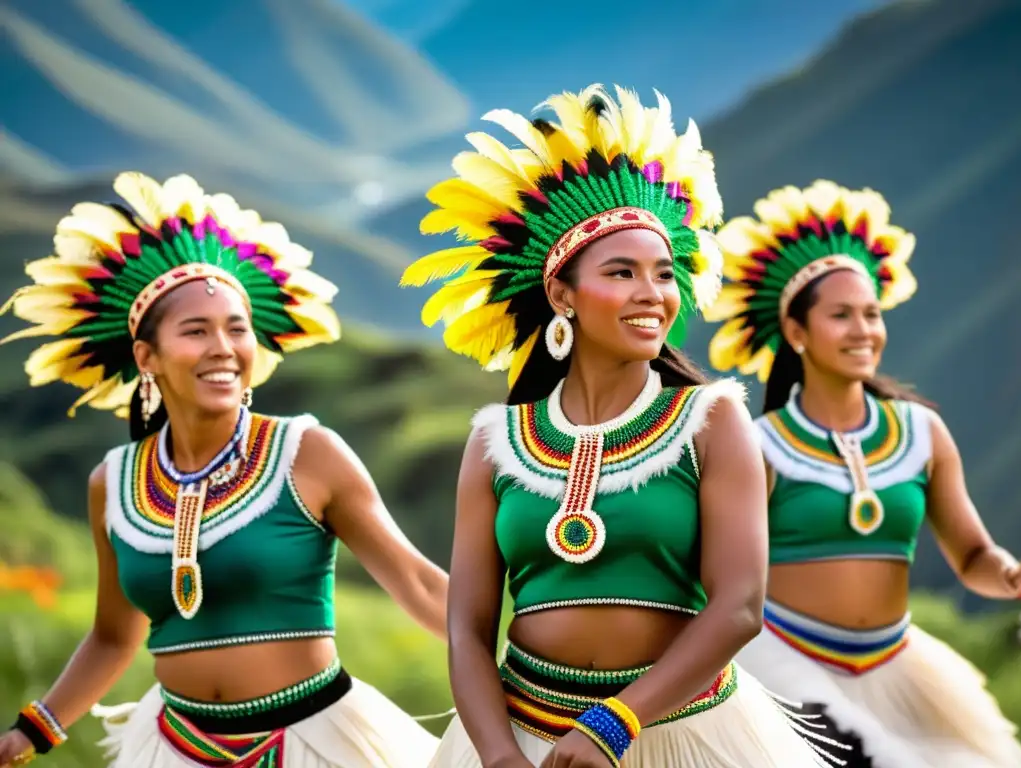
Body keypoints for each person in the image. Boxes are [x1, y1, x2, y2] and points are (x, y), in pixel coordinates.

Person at [399, 85, 844, 768]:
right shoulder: (496, 440)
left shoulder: (710, 420)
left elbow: (739, 607)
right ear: (560, 295)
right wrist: (496, 754)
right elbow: (467, 626)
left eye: (665, 274)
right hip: (518, 737)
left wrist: (614, 725)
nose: (652, 293)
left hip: (683, 735)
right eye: (622, 272)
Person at [0, 172, 448, 768]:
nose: (223, 347)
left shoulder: (307, 453)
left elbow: (417, 584)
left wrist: (530, 667)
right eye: (196, 331)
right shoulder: (112, 482)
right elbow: (114, 634)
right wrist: (32, 731)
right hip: (173, 747)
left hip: (315, 743)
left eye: (237, 329)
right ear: (146, 357)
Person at [704, 179, 1021, 768]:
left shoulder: (922, 433)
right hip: (783, 660)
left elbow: (974, 555)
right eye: (842, 315)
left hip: (895, 663)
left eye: (872, 313)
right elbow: (724, 580)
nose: (863, 330)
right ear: (796, 333)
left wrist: (1011, 576)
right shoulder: (761, 447)